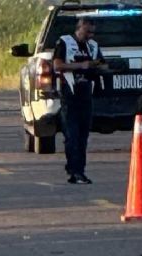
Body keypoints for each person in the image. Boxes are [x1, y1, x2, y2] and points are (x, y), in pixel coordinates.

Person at [53, 17, 103, 185]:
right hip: (70, 95)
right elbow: (57, 65)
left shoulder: (93, 46)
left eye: (92, 32)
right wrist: (81, 66)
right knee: (72, 135)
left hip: (86, 95)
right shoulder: (65, 42)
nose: (90, 35)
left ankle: (79, 170)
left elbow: (102, 64)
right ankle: (75, 171)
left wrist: (105, 67)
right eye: (87, 31)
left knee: (83, 136)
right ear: (79, 28)